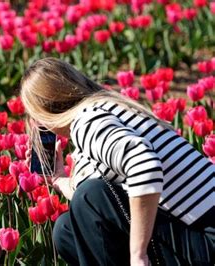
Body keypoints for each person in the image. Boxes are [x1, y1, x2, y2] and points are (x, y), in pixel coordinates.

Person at [19, 58, 214, 266]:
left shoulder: (87, 121)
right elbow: (99, 206)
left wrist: (138, 254)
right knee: (66, 229)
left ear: (45, 108)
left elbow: (145, 165)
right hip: (198, 233)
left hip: (207, 235)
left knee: (90, 195)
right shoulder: (105, 111)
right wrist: (58, 179)